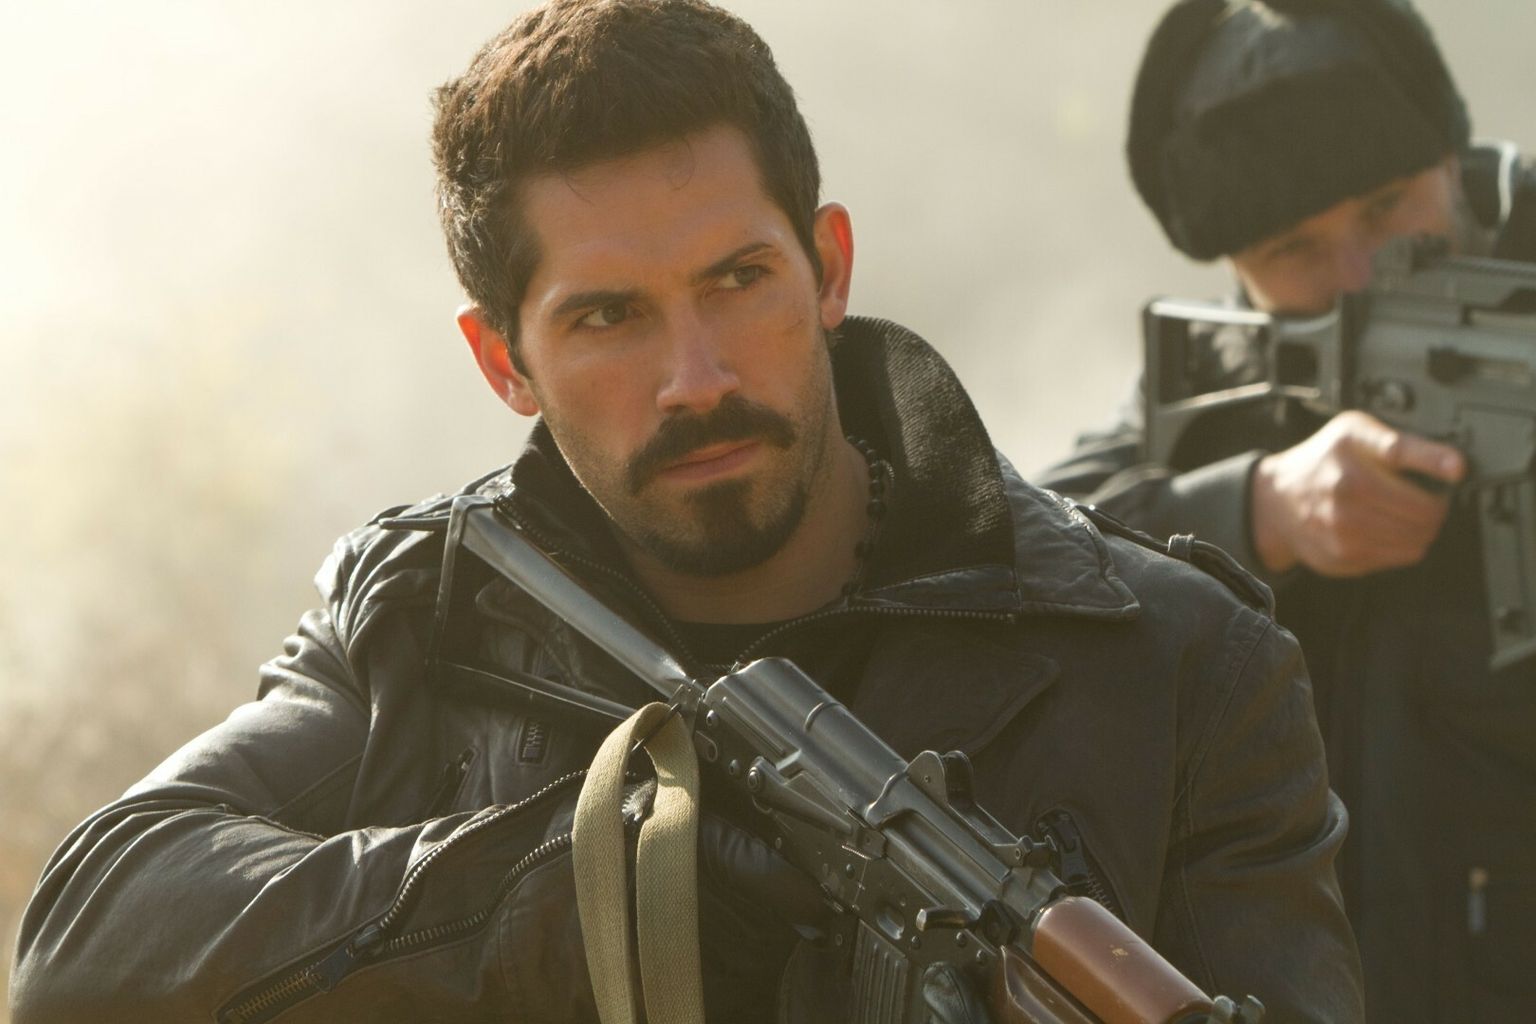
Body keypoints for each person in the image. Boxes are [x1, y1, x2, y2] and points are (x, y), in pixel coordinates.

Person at [10, 1, 1362, 1021]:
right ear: (503, 362)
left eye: (737, 279)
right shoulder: (434, 617)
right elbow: (87, 938)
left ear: (827, 268)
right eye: (609, 317)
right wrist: (582, 883)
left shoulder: (1180, 664)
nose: (696, 378)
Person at [1037, 1, 1536, 1020]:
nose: (1356, 279)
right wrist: (1261, 508)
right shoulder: (1230, 374)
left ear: (1451, 156)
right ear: (1236, 270)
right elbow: (1035, 542)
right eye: (1296, 247)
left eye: (1386, 206)